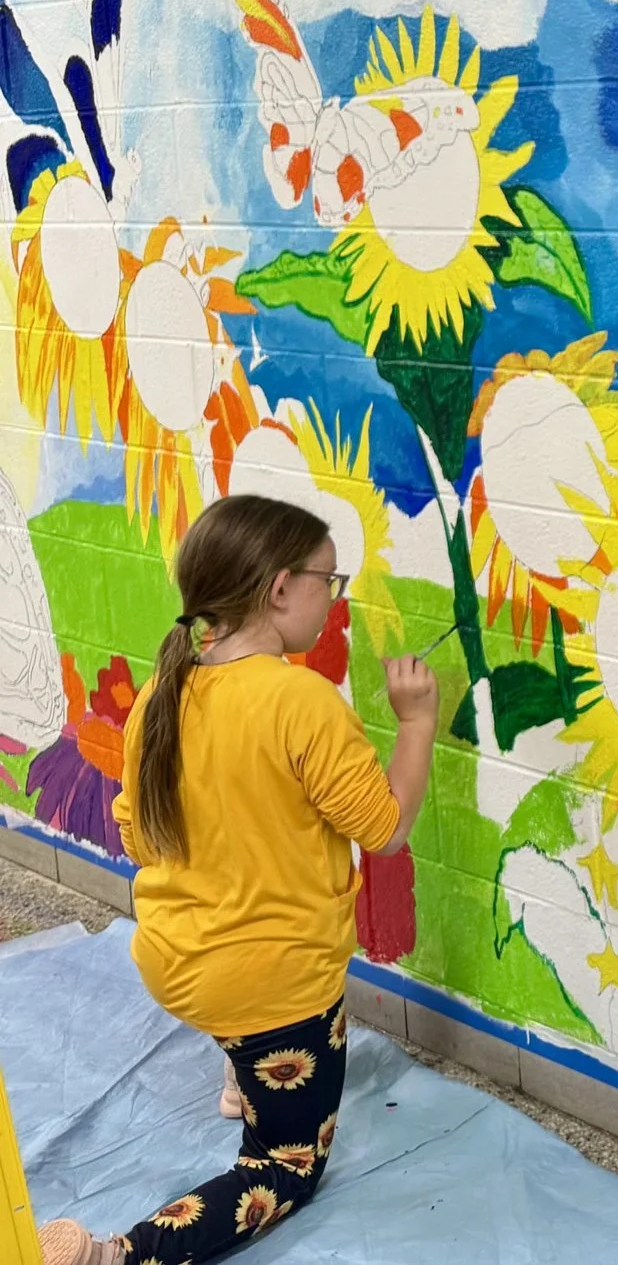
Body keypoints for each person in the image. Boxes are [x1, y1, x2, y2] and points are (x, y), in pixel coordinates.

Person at [39, 495, 439, 1265]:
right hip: (270, 985)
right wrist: (416, 721)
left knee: (242, 989)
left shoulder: (164, 690)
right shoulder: (302, 701)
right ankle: (117, 1254)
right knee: (283, 1170)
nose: (336, 598)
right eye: (330, 580)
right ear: (281, 588)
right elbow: (385, 828)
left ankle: (242, 1067)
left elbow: (137, 835)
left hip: (174, 960)